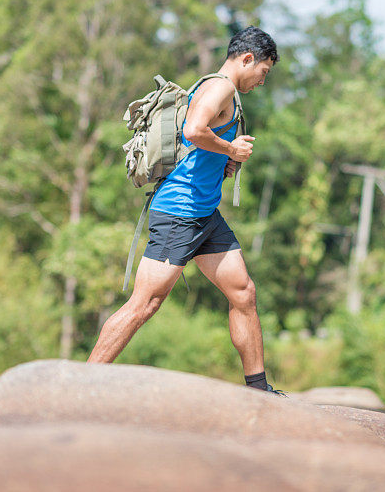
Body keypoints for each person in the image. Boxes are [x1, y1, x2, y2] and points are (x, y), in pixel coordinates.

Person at [88, 26, 283, 395]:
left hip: (205, 213)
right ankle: (81, 384)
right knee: (145, 304)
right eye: (264, 71)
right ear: (247, 59)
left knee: (243, 293)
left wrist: (222, 161)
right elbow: (193, 130)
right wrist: (231, 150)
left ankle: (259, 391)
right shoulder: (220, 87)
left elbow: (196, 145)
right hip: (180, 211)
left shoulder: (215, 88)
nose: (262, 80)